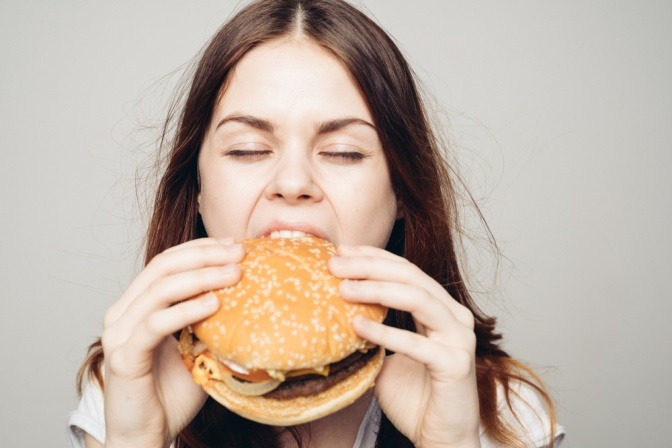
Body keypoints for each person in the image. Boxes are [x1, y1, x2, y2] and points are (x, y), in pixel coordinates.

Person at [69, 0, 565, 447]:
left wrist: (451, 442)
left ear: (401, 195)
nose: (292, 180)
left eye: (343, 152)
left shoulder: (506, 414)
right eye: (248, 149)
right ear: (196, 190)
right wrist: (137, 439)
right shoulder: (129, 384)